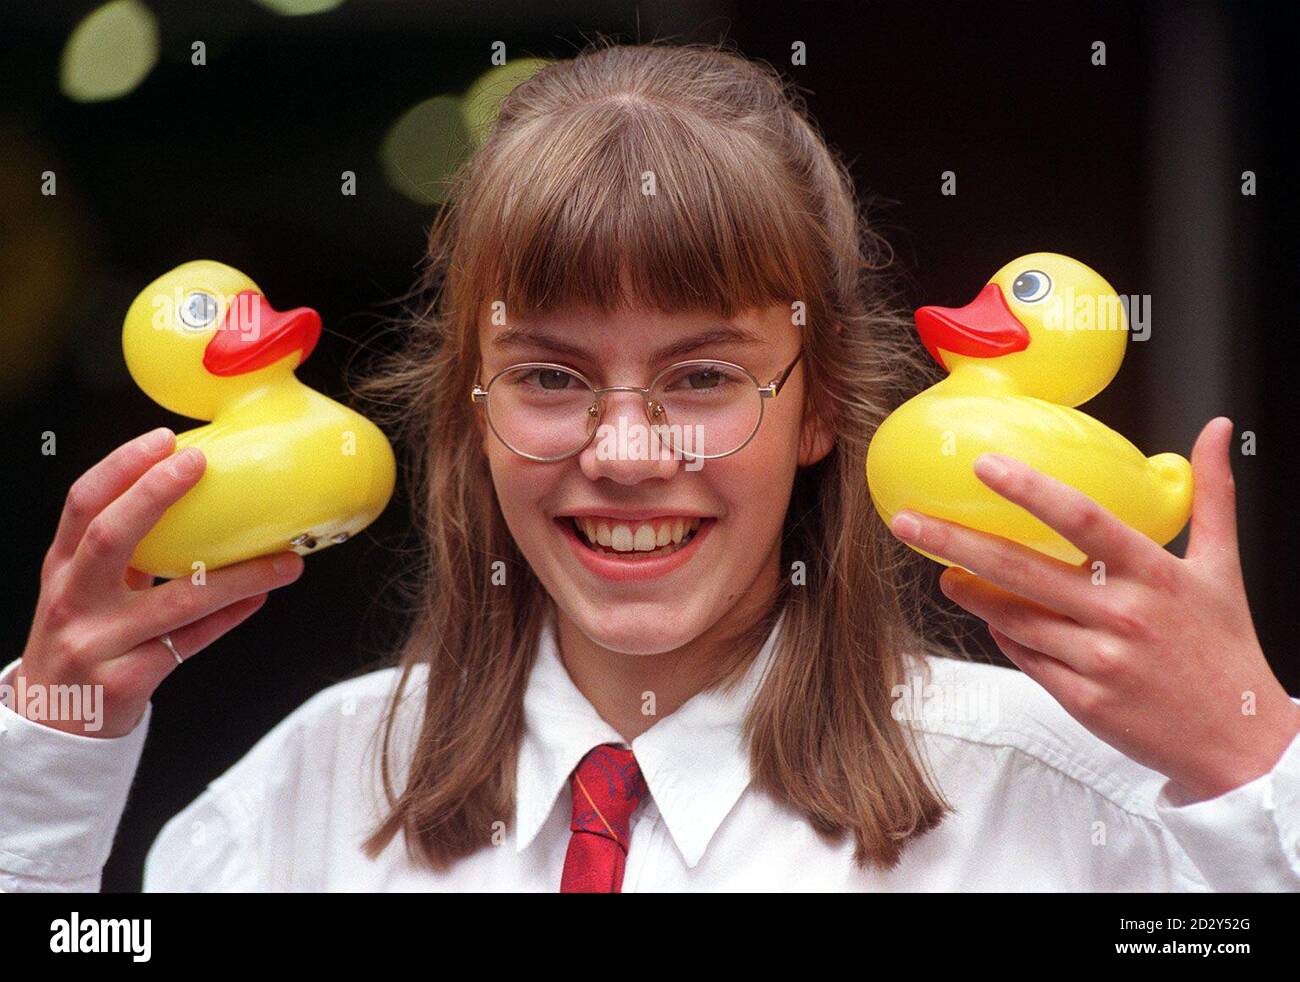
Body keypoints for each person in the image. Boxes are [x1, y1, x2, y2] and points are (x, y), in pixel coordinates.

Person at [3, 39, 1297, 892]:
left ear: (820, 405)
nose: (626, 452)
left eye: (702, 377)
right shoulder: (299, 802)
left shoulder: (1080, 811)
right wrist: (52, 753)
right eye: (553, 376)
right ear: (472, 403)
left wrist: (1260, 765)